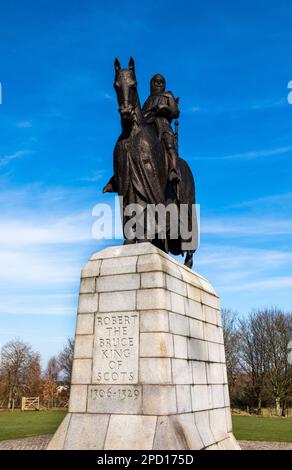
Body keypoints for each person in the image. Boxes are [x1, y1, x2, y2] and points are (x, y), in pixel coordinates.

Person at [142, 74, 181, 183]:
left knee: (169, 143)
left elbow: (175, 112)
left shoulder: (168, 96)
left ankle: (173, 170)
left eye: (161, 82)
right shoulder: (147, 100)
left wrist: (163, 107)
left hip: (163, 124)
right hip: (147, 124)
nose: (158, 84)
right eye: (156, 81)